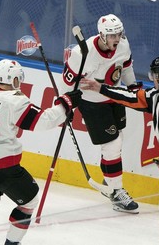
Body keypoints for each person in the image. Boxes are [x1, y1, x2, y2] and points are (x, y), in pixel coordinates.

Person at [80, 55, 159, 245]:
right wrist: (101, 88)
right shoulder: (157, 96)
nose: (152, 78)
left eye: (155, 74)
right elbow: (131, 97)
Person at [0, 50, 82, 245]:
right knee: (30, 202)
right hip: (3, 167)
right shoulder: (15, 101)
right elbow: (44, 120)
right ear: (15, 80)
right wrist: (66, 104)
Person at [60, 14, 141, 213]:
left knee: (118, 138)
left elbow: (126, 67)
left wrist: (132, 88)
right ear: (102, 35)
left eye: (119, 34)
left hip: (114, 96)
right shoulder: (82, 53)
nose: (117, 39)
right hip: (92, 102)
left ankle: (109, 178)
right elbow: (67, 80)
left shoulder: (123, 45)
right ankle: (116, 191)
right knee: (112, 144)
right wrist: (66, 104)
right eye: (112, 35)